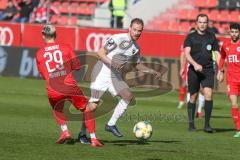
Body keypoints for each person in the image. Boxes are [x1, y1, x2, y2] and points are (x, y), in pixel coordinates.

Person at [80, 18, 161, 137]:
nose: (137, 33)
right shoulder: (118, 38)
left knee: (128, 96)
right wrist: (112, 63)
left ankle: (111, 124)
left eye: (139, 31)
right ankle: (82, 133)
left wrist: (151, 71)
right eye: (134, 30)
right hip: (101, 74)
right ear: (129, 28)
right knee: (92, 106)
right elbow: (100, 53)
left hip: (115, 77)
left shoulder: (136, 48)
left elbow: (136, 64)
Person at [36, 24, 103, 147]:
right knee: (87, 108)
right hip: (69, 86)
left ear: (43, 35)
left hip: (52, 88)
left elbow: (43, 73)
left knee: (57, 109)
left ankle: (65, 131)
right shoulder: (65, 48)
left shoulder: (39, 53)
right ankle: (93, 139)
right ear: (55, 34)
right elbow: (77, 66)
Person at [184, 14, 220, 132]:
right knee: (193, 96)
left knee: (208, 94)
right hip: (194, 71)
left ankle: (207, 125)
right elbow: (187, 53)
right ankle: (191, 125)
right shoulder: (190, 37)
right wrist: (194, 64)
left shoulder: (212, 37)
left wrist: (221, 69)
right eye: (200, 22)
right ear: (196, 23)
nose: (202, 24)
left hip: (208, 70)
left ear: (207, 23)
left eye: (204, 22)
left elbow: (217, 54)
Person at [217, 23, 240, 138]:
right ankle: (239, 129)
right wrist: (220, 71)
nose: (234, 34)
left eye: (236, 32)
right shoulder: (226, 45)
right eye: (232, 32)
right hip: (231, 80)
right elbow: (221, 57)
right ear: (230, 32)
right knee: (234, 104)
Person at [178, 28, 205, 119]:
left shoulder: (203, 41)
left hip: (202, 67)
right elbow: (183, 55)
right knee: (190, 88)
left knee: (202, 89)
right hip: (191, 68)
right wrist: (182, 67)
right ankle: (190, 109)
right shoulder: (187, 42)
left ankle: (199, 111)